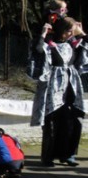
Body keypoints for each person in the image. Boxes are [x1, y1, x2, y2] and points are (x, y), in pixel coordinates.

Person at [30, 17, 88, 167]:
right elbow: (38, 50)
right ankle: (48, 156)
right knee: (52, 120)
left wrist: (81, 33)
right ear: (63, 30)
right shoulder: (50, 44)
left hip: (71, 84)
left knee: (73, 119)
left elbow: (84, 49)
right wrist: (43, 34)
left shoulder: (74, 44)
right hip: (54, 86)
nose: (71, 33)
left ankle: (69, 154)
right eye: (69, 30)